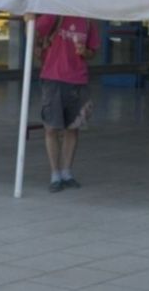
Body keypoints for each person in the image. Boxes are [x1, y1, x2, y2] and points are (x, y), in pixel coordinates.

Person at [31, 14, 99, 193]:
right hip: (53, 77)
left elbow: (93, 51)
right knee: (51, 128)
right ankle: (55, 174)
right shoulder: (55, 14)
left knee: (72, 128)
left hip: (78, 79)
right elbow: (34, 30)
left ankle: (67, 172)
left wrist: (85, 52)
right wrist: (28, 17)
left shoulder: (88, 20)